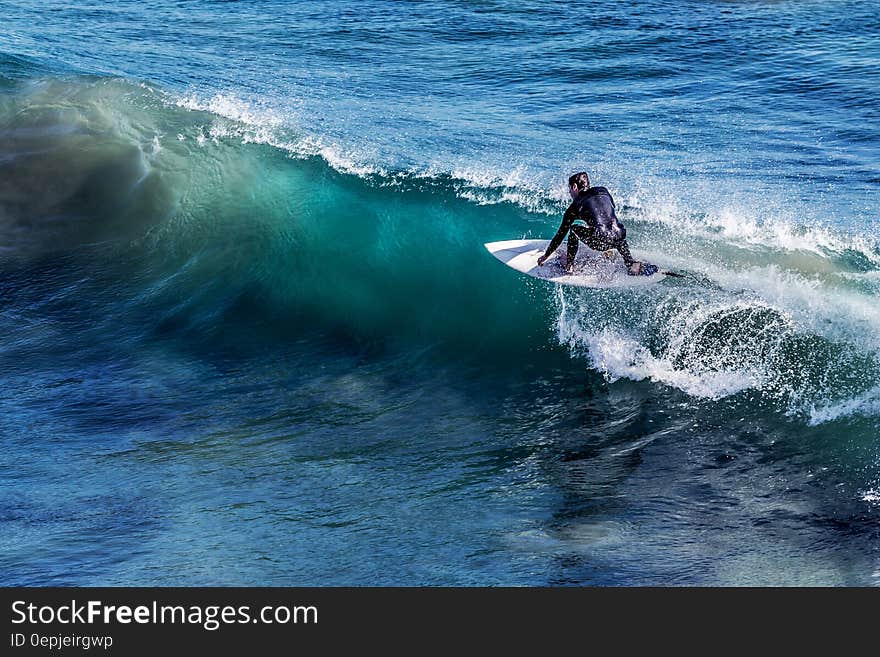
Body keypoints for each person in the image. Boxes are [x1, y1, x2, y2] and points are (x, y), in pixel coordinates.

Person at [537, 172, 657, 276]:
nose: (569, 193)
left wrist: (546, 256)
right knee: (612, 228)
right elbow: (608, 211)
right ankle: (630, 263)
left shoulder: (574, 206)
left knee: (573, 229)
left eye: (569, 189)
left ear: (574, 187)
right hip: (620, 236)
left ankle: (569, 265)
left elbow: (560, 234)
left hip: (600, 241)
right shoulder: (603, 191)